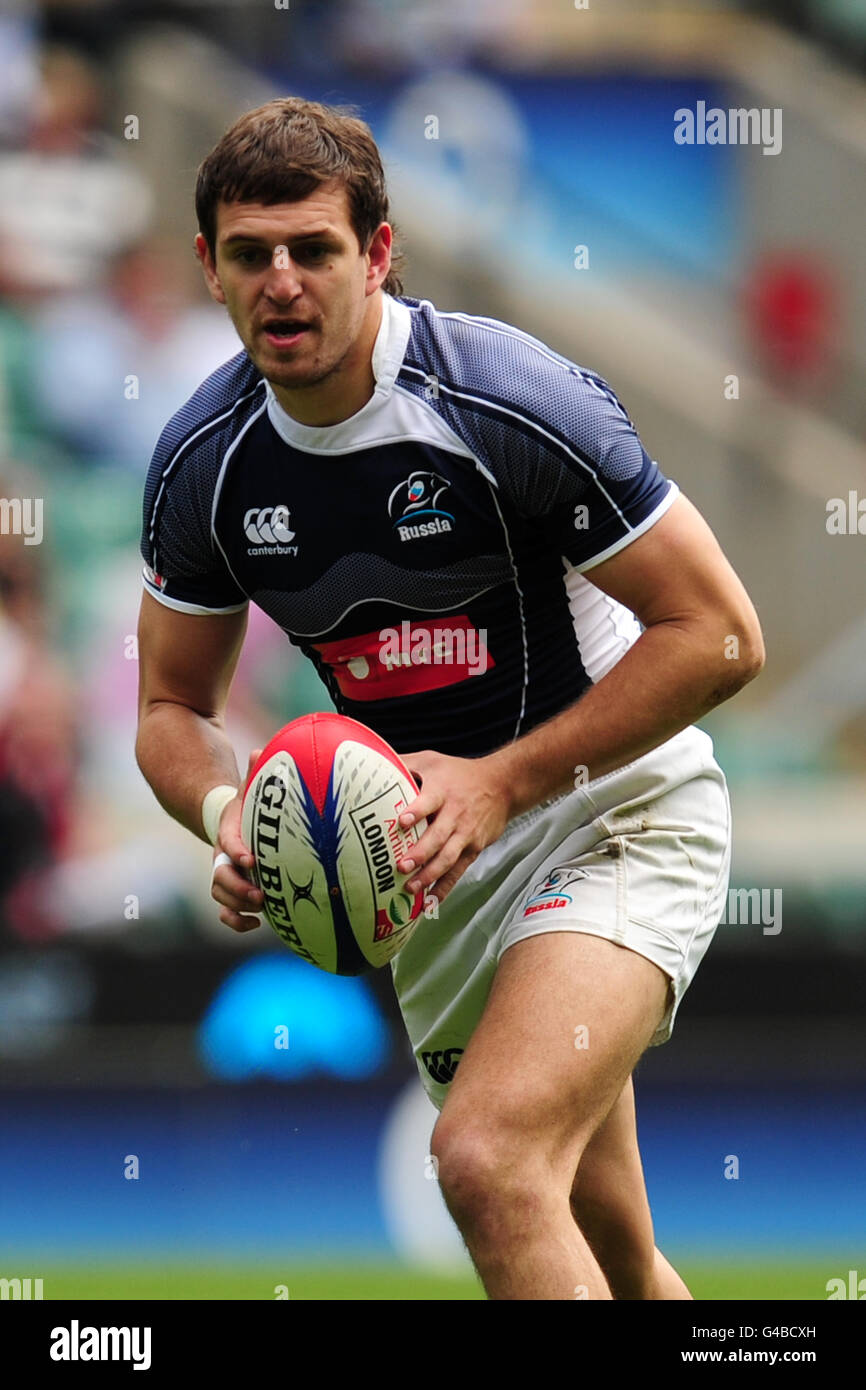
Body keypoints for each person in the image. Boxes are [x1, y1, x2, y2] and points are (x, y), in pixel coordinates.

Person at [135, 97, 765, 1301]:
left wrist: (507, 779)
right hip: (425, 871)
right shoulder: (201, 466)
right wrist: (227, 811)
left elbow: (725, 635)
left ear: (376, 254)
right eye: (250, 253)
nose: (282, 282)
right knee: (620, 1253)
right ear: (205, 266)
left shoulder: (506, 398)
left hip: (610, 812)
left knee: (484, 1160)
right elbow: (171, 705)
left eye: (313, 250)